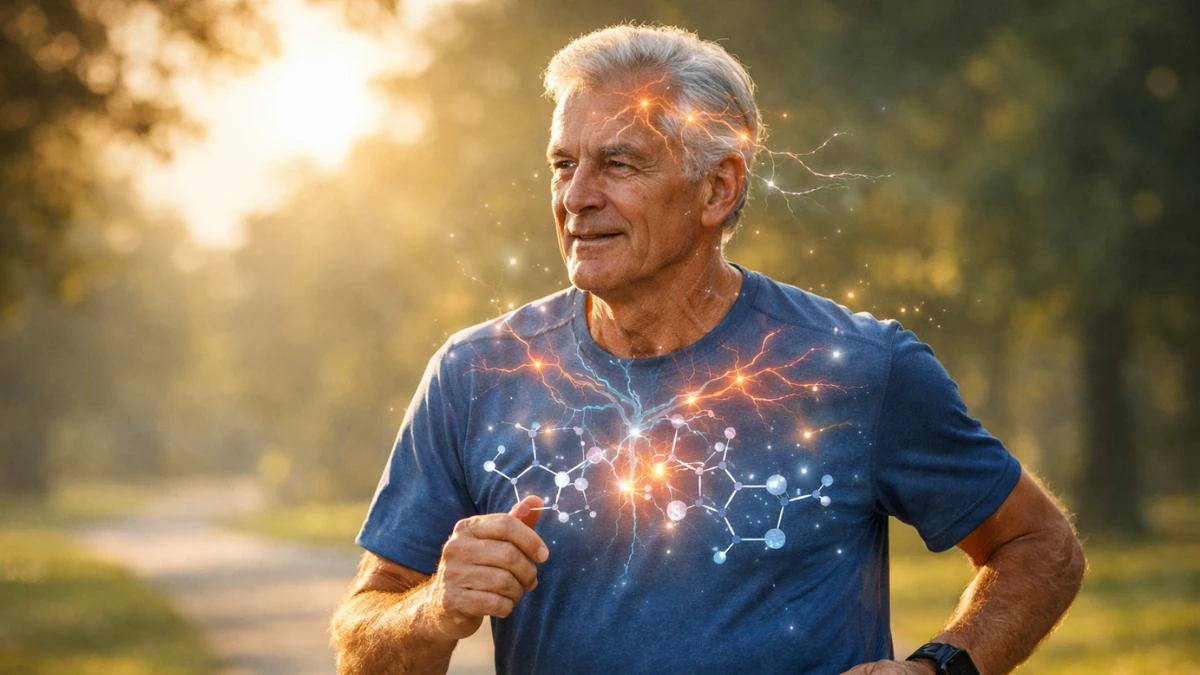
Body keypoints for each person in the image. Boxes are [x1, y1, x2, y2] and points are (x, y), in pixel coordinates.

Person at [330, 24, 1085, 675]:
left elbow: (1038, 544)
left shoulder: (856, 367)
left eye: (618, 163)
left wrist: (938, 665)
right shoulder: (475, 373)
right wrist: (431, 610)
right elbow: (363, 639)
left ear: (718, 189)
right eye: (564, 164)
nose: (575, 196)